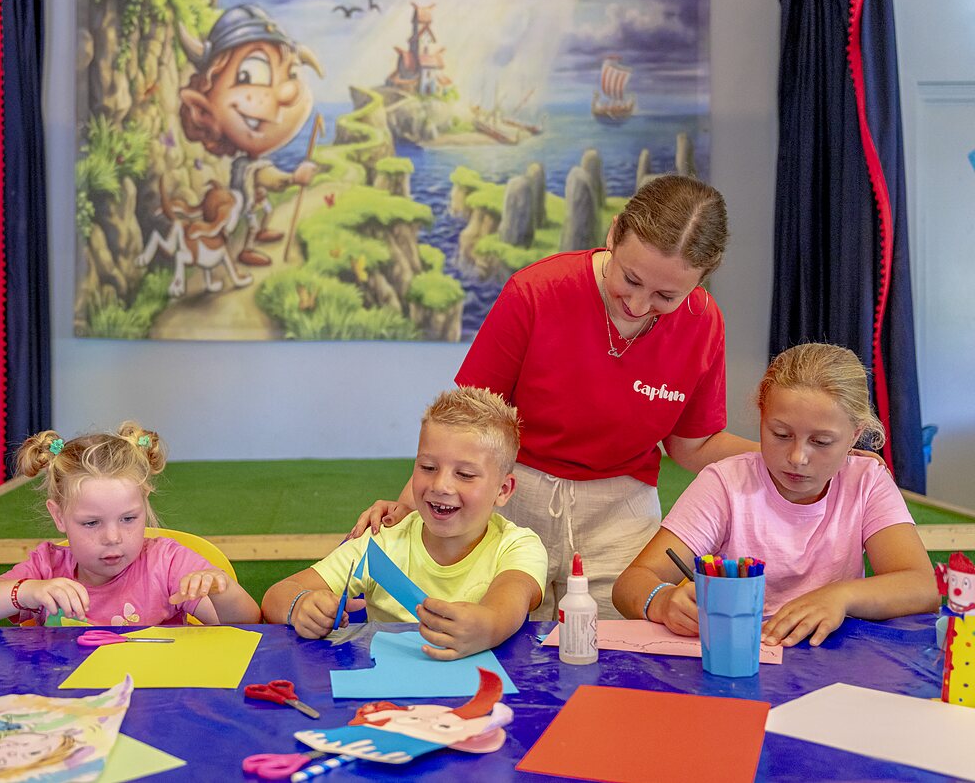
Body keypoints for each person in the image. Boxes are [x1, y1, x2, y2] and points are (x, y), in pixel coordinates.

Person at [355, 175, 755, 620]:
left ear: (701, 280)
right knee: (501, 637)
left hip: (621, 511)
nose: (639, 306)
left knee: (621, 651)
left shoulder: (703, 323)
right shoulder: (536, 292)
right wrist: (409, 505)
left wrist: (781, 454)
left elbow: (691, 444)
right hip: (512, 498)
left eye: (666, 296)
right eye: (631, 278)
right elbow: (465, 425)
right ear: (614, 233)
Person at [613, 343, 939, 647]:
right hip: (737, 656)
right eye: (781, 434)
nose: (797, 457)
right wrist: (662, 600)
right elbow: (632, 583)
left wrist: (840, 596)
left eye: (822, 442)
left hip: (832, 665)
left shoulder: (866, 481)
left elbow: (921, 587)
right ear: (761, 418)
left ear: (855, 435)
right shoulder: (725, 483)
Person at [263, 387, 548, 660]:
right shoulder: (381, 541)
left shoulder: (518, 545)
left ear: (503, 490)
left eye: (464, 474)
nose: (441, 485)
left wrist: (488, 626)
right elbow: (277, 595)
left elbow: (511, 598)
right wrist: (300, 605)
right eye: (428, 468)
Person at [0, 422, 261, 627]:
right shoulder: (47, 566)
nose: (112, 537)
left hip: (156, 702)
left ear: (144, 506)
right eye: (91, 523)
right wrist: (26, 592)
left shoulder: (167, 563)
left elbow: (246, 626)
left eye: (128, 519)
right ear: (59, 517)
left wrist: (223, 590)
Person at [177, 4, 322, 266]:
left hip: (257, 199)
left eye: (289, 75)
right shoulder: (247, 166)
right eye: (248, 75)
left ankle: (260, 231)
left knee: (265, 211)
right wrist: (293, 177)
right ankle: (246, 247)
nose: (286, 93)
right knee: (252, 219)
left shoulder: (254, 157)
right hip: (244, 202)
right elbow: (269, 179)